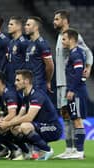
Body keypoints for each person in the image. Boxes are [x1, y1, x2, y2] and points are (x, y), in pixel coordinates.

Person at [53, 9, 93, 158]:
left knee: (73, 116)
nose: (54, 22)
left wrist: (88, 67)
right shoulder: (60, 37)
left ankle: (77, 149)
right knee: (66, 116)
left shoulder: (73, 37)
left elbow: (88, 52)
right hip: (61, 82)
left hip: (69, 84)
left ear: (64, 20)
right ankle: (69, 148)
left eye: (57, 19)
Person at [0, 69, 62, 160]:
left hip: (53, 128)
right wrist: (5, 124)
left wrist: (7, 123)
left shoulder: (37, 94)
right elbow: (20, 115)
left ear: (26, 81)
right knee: (14, 128)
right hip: (39, 126)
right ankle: (27, 152)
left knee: (25, 126)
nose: (15, 83)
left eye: (18, 80)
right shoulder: (25, 95)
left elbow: (29, 117)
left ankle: (46, 150)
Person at [62, 28, 88, 159]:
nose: (62, 41)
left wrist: (71, 89)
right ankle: (77, 151)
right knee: (75, 119)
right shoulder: (75, 53)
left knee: (77, 120)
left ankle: (80, 151)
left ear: (72, 39)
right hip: (74, 90)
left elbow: (78, 73)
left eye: (64, 39)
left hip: (76, 92)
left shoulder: (76, 54)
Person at [25, 16, 54, 92]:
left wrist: (47, 81)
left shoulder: (42, 44)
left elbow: (50, 66)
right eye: (26, 25)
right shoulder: (29, 43)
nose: (25, 27)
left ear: (36, 27)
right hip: (29, 84)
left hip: (38, 84)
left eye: (28, 25)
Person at [6, 16, 28, 87]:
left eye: (11, 24)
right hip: (11, 80)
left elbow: (29, 63)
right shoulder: (11, 42)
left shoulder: (24, 42)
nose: (8, 26)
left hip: (21, 82)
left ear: (18, 27)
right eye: (8, 24)